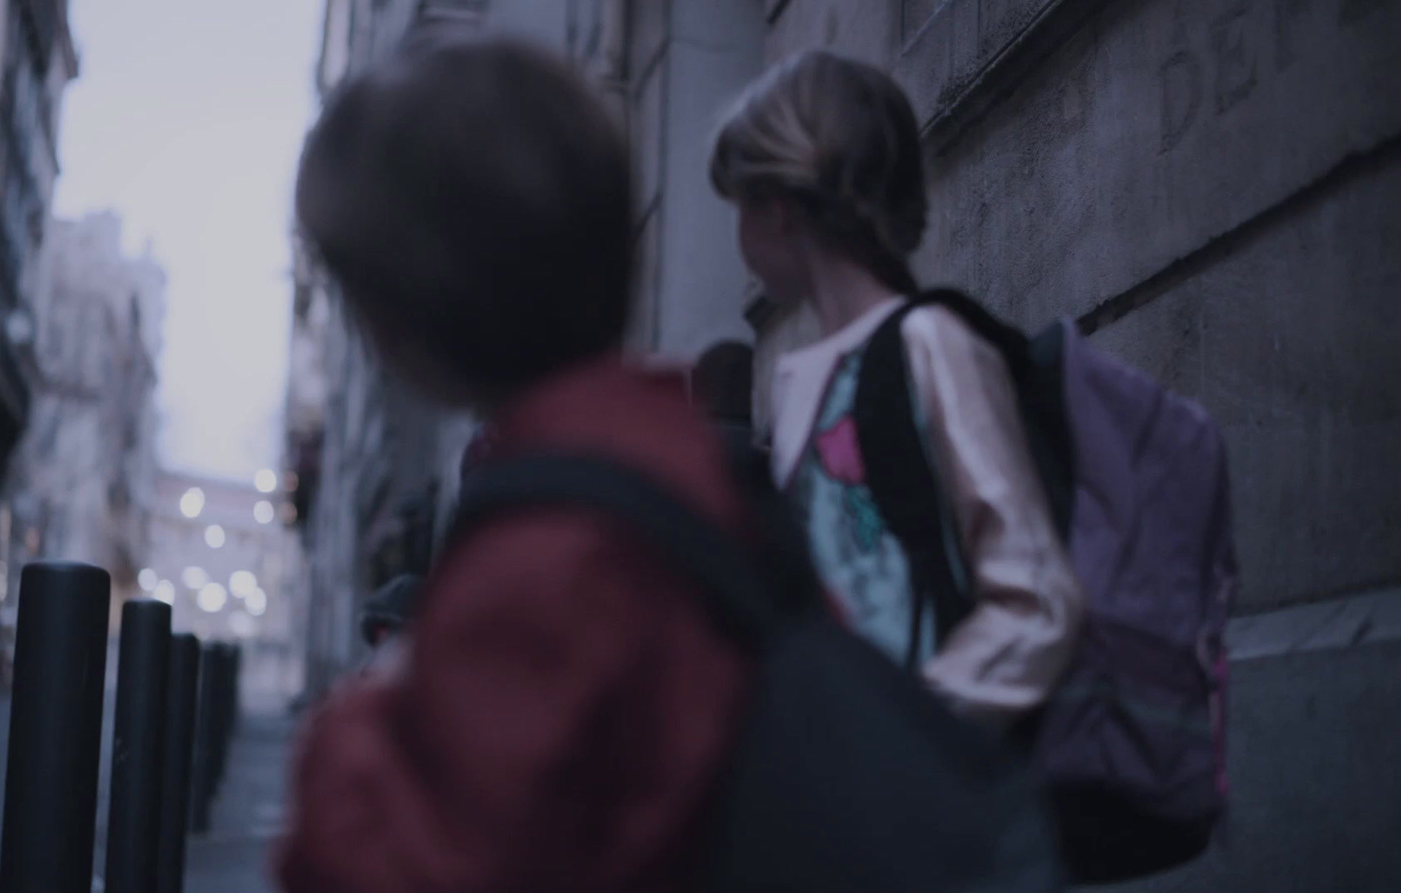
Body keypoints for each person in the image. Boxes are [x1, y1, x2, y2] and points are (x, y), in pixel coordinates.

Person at [277, 34, 755, 893]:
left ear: (400, 315)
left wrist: (353, 723)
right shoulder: (686, 469)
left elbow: (394, 867)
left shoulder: (546, 560)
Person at [708, 50, 1084, 732]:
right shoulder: (798, 380)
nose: (737, 232)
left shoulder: (933, 344)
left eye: (740, 205)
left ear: (781, 208)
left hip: (929, 808)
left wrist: (908, 742)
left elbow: (1035, 601)